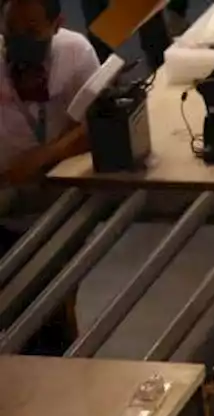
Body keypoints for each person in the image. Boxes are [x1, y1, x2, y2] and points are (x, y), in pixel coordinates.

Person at [1, 0, 99, 353]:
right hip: (4, 200)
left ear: (57, 24)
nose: (18, 40)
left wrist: (45, 156)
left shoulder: (76, 53)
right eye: (11, 31)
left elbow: (94, 126)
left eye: (31, 31)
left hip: (58, 204)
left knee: (52, 311)